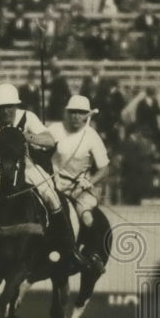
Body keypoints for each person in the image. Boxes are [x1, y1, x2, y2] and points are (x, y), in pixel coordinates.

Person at [0, 83, 84, 288]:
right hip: (1, 171)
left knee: (52, 197)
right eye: (2, 107)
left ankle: (70, 250)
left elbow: (50, 141)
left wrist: (27, 137)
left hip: (29, 166)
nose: (6, 111)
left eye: (10, 107)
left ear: (16, 106)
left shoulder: (28, 117)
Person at [47, 96, 110, 234]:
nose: (76, 116)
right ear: (67, 113)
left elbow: (104, 169)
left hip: (79, 189)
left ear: (87, 115)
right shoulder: (55, 129)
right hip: (53, 187)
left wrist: (90, 181)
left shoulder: (92, 136)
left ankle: (88, 252)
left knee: (87, 218)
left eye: (81, 112)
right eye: (72, 112)